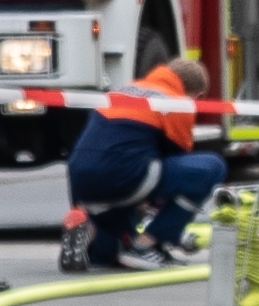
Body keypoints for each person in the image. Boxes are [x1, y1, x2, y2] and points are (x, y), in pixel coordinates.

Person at [62, 54, 224, 271]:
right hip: (123, 176)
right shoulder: (176, 102)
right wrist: (170, 225)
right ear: (197, 94)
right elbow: (177, 159)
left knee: (111, 252)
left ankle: (88, 230)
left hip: (81, 181)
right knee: (210, 168)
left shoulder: (123, 89)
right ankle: (146, 246)